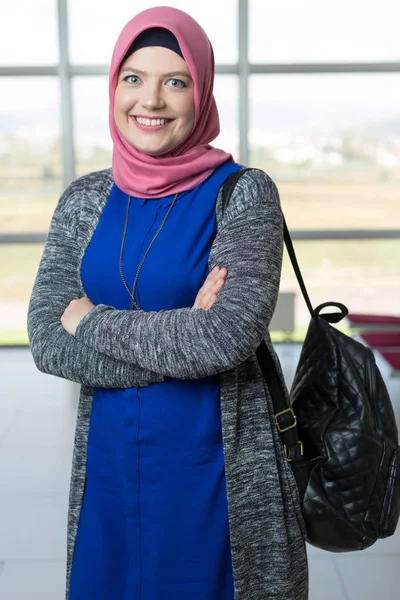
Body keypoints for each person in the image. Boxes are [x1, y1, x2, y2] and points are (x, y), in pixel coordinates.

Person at [27, 6, 308, 600]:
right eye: (133, 78)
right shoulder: (84, 200)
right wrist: (186, 336)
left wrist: (89, 319)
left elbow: (226, 338)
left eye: (174, 81)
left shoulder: (245, 194)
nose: (149, 100)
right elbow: (47, 341)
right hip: (110, 468)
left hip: (218, 470)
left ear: (200, 93)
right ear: (114, 87)